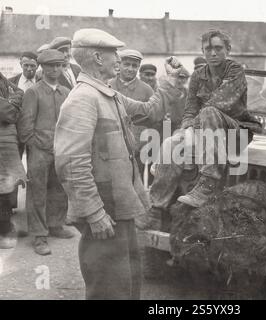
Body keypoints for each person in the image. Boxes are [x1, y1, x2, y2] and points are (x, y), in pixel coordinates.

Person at [54, 28, 183, 300]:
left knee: (126, 284)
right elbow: (71, 164)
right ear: (98, 58)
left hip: (119, 206)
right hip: (104, 210)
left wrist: (169, 81)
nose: (119, 58)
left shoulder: (107, 95)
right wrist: (94, 213)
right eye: (115, 53)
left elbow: (151, 111)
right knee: (108, 288)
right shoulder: (82, 100)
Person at [147, 29, 261, 229]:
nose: (213, 53)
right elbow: (190, 109)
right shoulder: (199, 75)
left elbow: (221, 103)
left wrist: (192, 129)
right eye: (208, 49)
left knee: (209, 111)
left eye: (218, 48)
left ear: (228, 50)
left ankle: (208, 183)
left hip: (236, 133)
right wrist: (185, 130)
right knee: (171, 143)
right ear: (202, 50)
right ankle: (157, 208)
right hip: (205, 129)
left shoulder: (235, 71)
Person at [17, 49, 74, 256]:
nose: (55, 70)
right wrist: (33, 144)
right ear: (43, 67)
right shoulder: (34, 92)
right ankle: (39, 235)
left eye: (59, 65)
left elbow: (70, 121)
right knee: (38, 192)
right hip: (39, 151)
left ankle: (56, 225)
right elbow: (25, 124)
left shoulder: (66, 92)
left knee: (59, 190)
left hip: (61, 150)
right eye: (51, 66)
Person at [0, 73, 25, 249]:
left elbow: (19, 91)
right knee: (3, 184)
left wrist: (12, 100)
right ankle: (4, 231)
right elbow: (7, 114)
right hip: (3, 140)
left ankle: (6, 228)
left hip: (7, 140)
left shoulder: (2, 79)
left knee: (8, 185)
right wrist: (13, 103)